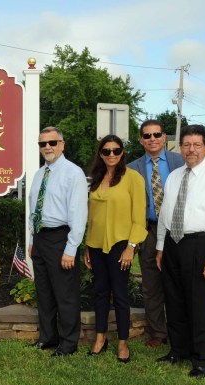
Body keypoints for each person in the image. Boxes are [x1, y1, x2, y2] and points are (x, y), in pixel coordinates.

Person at [154, 125, 205, 379]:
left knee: (199, 304)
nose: (191, 150)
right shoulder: (174, 175)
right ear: (180, 147)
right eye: (186, 145)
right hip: (172, 244)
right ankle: (178, 350)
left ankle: (201, 359)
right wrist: (159, 247)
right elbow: (165, 214)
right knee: (174, 300)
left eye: (196, 145)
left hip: (200, 245)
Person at [83, 135, 147, 363]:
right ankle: (100, 337)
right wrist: (88, 247)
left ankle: (122, 342)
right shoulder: (97, 178)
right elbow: (92, 217)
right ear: (100, 154)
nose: (111, 155)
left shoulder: (133, 178)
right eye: (106, 151)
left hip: (121, 244)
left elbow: (139, 218)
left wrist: (131, 247)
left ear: (122, 152)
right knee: (100, 292)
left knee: (120, 294)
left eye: (116, 150)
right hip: (97, 244)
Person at [28, 126, 89, 357]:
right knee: (44, 293)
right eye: (42, 144)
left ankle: (68, 343)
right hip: (41, 239)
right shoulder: (39, 174)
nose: (47, 147)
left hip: (60, 238)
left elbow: (78, 214)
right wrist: (33, 237)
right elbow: (34, 209)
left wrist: (70, 248)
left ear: (62, 144)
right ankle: (48, 337)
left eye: (52, 143)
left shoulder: (73, 173)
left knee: (65, 294)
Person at [127, 120, 185, 348]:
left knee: (178, 281)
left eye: (156, 134)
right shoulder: (132, 168)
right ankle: (158, 332)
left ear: (164, 137)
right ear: (141, 139)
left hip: (176, 229)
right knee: (151, 284)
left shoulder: (179, 162)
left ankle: (179, 328)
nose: (152, 139)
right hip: (149, 229)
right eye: (147, 135)